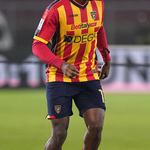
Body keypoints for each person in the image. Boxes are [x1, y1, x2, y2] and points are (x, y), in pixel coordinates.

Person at [32, 0, 111, 150]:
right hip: (60, 77)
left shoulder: (98, 4)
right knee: (60, 133)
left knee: (96, 127)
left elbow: (99, 28)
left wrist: (106, 58)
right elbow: (37, 45)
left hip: (88, 74)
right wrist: (61, 64)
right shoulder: (56, 9)